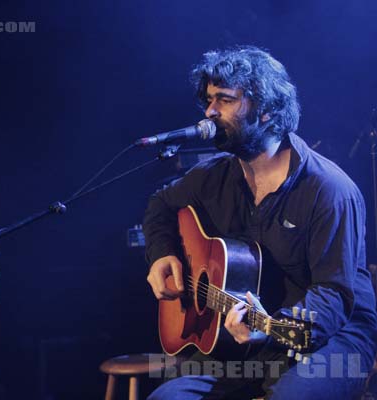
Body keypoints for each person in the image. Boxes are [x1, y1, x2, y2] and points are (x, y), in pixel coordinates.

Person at [143, 46, 377, 399]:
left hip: (329, 337)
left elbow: (332, 296)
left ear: (267, 110)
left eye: (224, 100)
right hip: (246, 339)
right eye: (208, 100)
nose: (209, 112)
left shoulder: (329, 189)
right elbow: (160, 205)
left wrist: (270, 328)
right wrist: (162, 254)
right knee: (167, 397)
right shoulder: (212, 176)